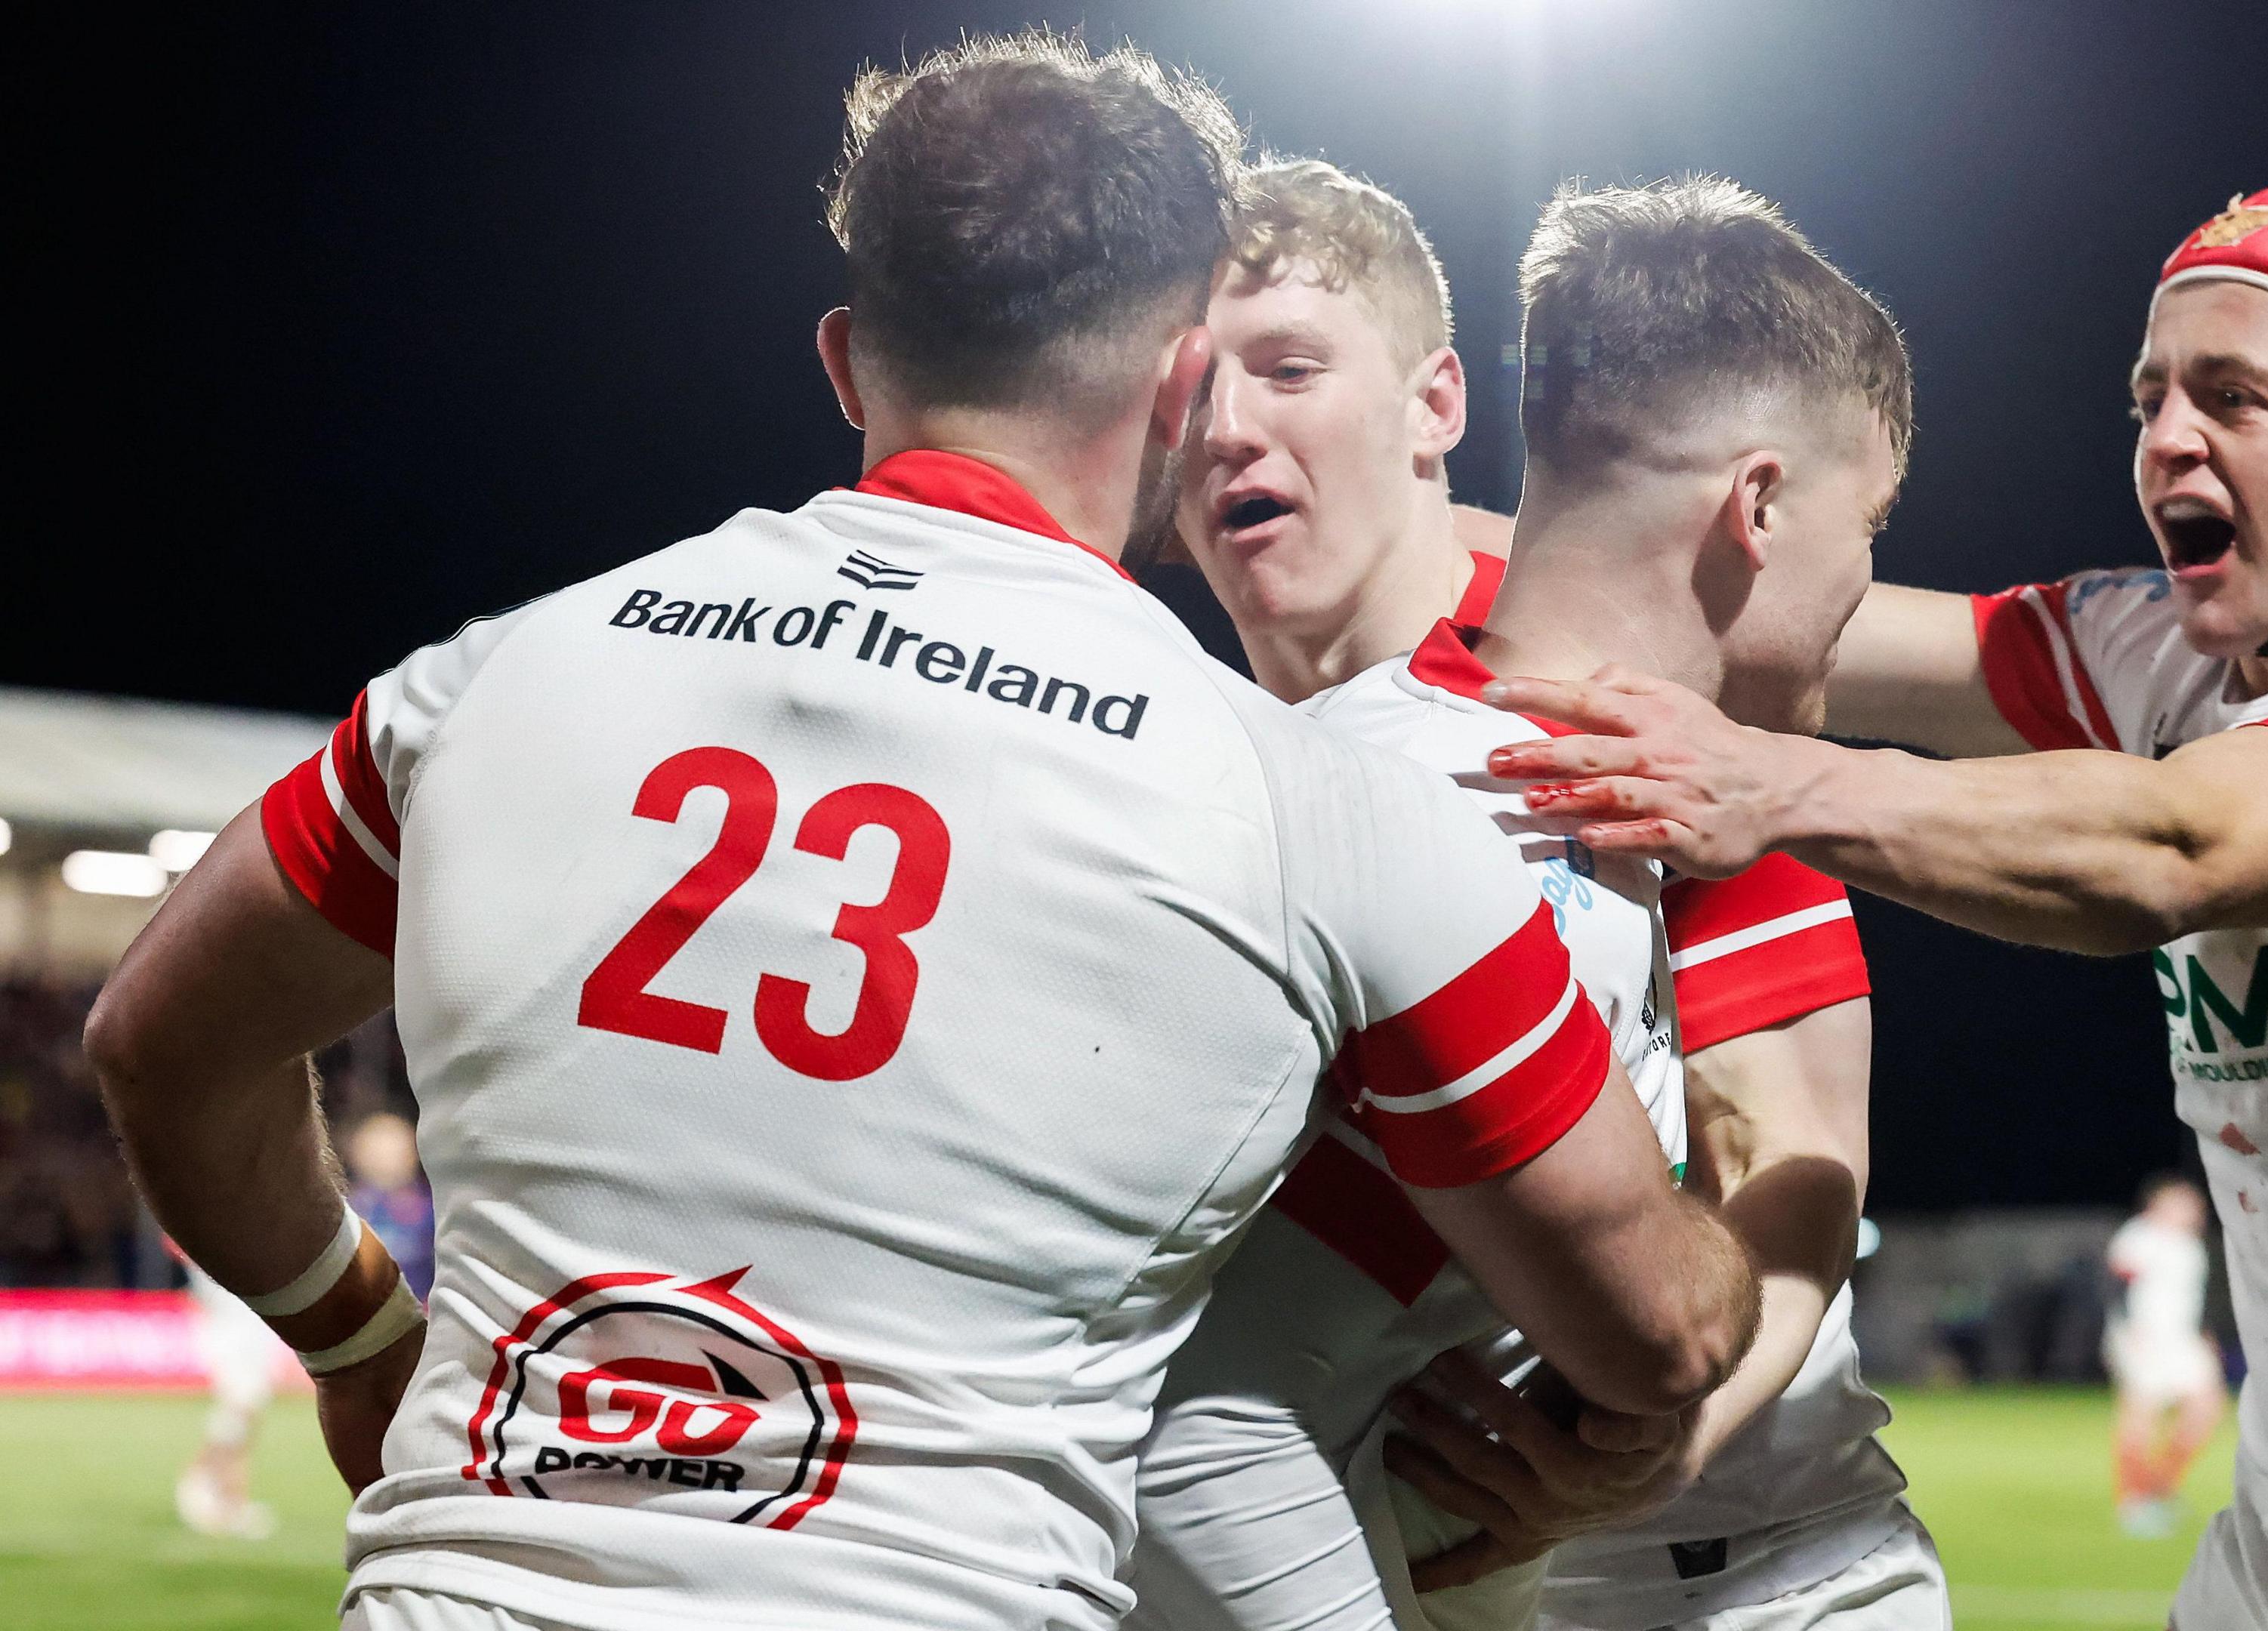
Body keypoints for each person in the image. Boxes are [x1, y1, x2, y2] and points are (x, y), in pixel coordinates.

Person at [82, 35, 1758, 1631]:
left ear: (842, 359)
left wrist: (357, 1334)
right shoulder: (1319, 804)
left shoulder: (491, 685)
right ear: (1183, 384)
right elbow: (1665, 1331)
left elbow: (158, 1038)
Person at [1481, 184, 2268, 1629]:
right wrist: (1399, 521)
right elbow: (1765, 600)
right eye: (2151, 396)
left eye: (2231, 396)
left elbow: (2181, 847)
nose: (2166, 441)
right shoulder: (2175, 655)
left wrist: (1778, 785)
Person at [1132, 164, 1942, 1631]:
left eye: (1294, 368)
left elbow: (1793, 1153)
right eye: (1199, 388)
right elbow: (1208, 1388)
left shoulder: (1641, 758)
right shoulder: (1374, 792)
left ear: (1438, 402)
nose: (1233, 427)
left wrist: (1652, 1442)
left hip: (1745, 1567)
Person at [2100, 1176, 2221, 1540]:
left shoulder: (2189, 1245)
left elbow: (2190, 1299)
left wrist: (2204, 1333)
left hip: (2181, 1340)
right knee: (2142, 1415)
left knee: (2206, 1410)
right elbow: (2114, 1285)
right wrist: (2129, 1328)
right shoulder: (2139, 1237)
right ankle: (2133, 1503)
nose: (2194, 1211)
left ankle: (2159, 1488)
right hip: (2145, 1338)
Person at [177, 1255, 285, 1540]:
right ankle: (224, 1495)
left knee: (246, 1410)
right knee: (240, 1408)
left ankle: (209, 1486)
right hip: (231, 1321)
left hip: (249, 1316)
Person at [344, 1112, 434, 1300]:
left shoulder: (431, 1208)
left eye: (395, 1152)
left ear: (415, 1154)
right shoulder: (350, 1209)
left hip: (424, 1309)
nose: (385, 1161)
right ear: (356, 1155)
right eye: (377, 1153)